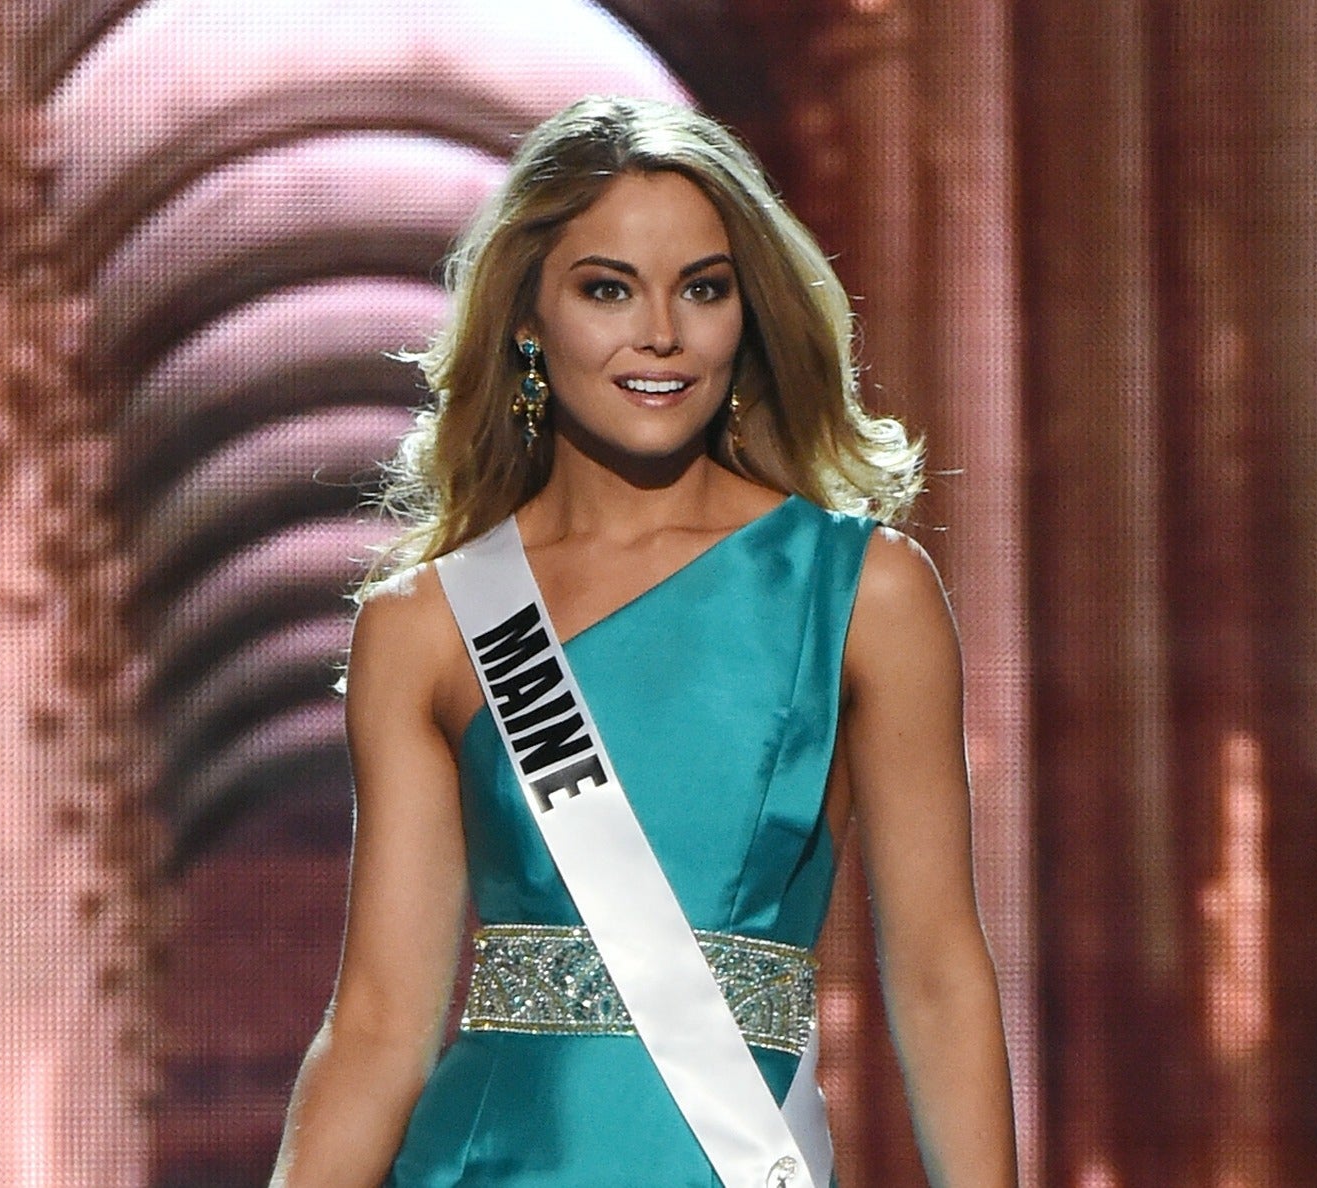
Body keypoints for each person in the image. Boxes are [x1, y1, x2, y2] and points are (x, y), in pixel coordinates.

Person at [268, 95, 1016, 1187]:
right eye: (607, 288)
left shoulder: (865, 592)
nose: (659, 332)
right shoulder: (426, 625)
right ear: (529, 319)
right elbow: (380, 1024)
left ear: (745, 315)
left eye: (702, 290)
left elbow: (941, 974)